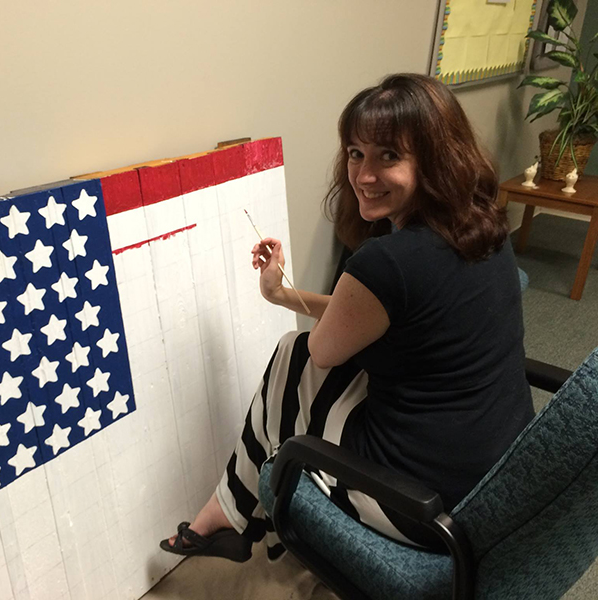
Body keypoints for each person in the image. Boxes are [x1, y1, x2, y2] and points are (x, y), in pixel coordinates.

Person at [161, 73, 535, 561]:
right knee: (294, 359)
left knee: (296, 359)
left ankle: (236, 517)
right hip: (498, 469)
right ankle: (233, 516)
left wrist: (283, 300)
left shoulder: (389, 261)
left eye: (388, 155)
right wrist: (280, 295)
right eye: (356, 153)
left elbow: (325, 348)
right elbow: (369, 315)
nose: (363, 174)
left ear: (436, 158)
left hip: (428, 506)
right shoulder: (482, 225)